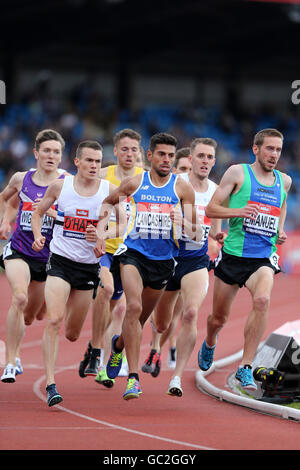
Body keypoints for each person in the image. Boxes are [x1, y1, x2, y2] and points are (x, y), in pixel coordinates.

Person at [94, 132, 202, 401]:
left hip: (164, 261)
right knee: (132, 307)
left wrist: (184, 222)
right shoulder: (135, 183)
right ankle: (133, 378)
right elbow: (107, 203)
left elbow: (197, 235)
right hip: (133, 254)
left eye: (171, 156)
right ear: (150, 155)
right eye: (162, 154)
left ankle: (118, 345)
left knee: (140, 321)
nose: (167, 160)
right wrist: (101, 230)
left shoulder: (182, 189)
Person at [31, 140, 124, 406]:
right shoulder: (61, 186)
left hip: (87, 268)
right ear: (77, 162)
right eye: (89, 161)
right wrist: (38, 237)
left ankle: (89, 353)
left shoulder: (109, 191)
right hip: (59, 262)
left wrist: (103, 234)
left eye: (98, 161)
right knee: (53, 320)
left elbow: (125, 225)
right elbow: (38, 214)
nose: (94, 165)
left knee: (72, 333)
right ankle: (51, 384)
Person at [198, 128, 292, 390]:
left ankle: (246, 367)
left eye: (278, 150)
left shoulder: (284, 181)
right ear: (256, 149)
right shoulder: (238, 173)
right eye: (269, 149)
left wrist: (280, 228)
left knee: (262, 300)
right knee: (218, 318)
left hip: (261, 258)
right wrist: (240, 211)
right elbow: (211, 208)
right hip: (233, 256)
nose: (274, 154)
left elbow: (282, 204)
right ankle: (210, 342)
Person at [142, 138, 225, 396]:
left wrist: (216, 238)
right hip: (168, 259)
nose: (204, 161)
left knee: (189, 314)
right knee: (163, 321)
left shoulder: (216, 191)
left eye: (209, 157)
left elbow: (215, 231)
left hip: (195, 260)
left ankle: (176, 377)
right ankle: (155, 347)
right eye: (200, 156)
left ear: (213, 160)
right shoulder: (175, 185)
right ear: (190, 159)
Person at [77, 129, 144, 388]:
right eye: (124, 149)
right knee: (106, 291)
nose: (129, 154)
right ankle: (96, 352)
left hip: (133, 253)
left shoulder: (146, 179)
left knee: (120, 307)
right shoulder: (103, 174)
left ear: (140, 153)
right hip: (105, 248)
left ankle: (98, 353)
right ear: (115, 151)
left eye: (133, 150)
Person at [0, 129, 67, 383]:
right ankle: (11, 361)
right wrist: (5, 221)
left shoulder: (67, 183)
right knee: (18, 297)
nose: (51, 155)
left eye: (56, 152)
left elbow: (76, 218)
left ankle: (29, 320)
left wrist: (56, 217)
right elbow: (6, 199)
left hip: (50, 259)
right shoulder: (21, 178)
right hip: (20, 250)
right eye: (46, 150)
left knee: (32, 316)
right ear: (36, 153)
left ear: (61, 157)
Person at [142, 146, 193, 374]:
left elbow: (205, 229)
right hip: (162, 255)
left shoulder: (199, 191)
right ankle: (155, 346)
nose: (185, 173)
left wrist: (213, 237)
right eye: (182, 168)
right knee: (156, 308)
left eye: (189, 169)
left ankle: (159, 349)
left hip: (189, 258)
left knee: (177, 312)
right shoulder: (166, 188)